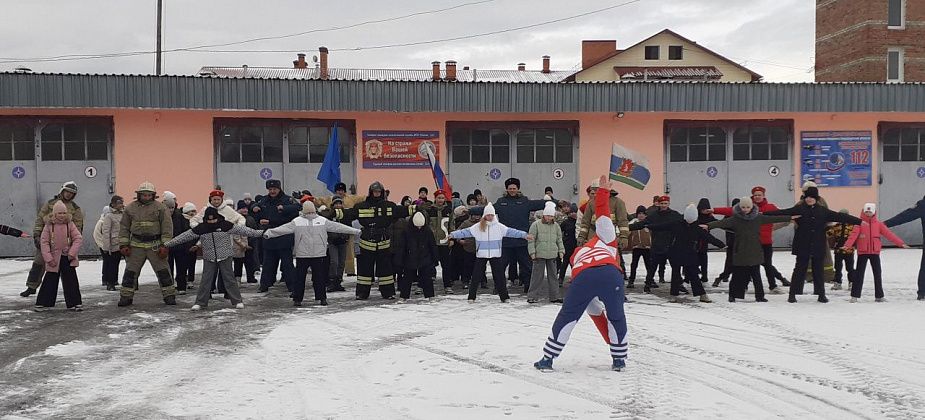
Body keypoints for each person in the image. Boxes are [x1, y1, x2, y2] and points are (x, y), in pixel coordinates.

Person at [533, 176, 629, 372]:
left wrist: (601, 194)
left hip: (583, 277)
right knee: (616, 316)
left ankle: (547, 359)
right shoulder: (607, 239)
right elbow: (603, 216)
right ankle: (619, 359)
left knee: (567, 316)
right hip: (610, 274)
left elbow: (595, 314)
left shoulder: (577, 254)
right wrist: (603, 193)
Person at [765, 187, 861, 303]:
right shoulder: (799, 209)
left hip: (818, 244)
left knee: (818, 270)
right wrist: (763, 214)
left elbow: (841, 216)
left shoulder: (823, 211)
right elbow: (782, 212)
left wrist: (860, 221)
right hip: (802, 244)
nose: (809, 199)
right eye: (807, 197)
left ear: (816, 198)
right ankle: (792, 294)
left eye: (812, 197)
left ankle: (821, 295)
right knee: (799, 270)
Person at [329, 181, 416, 300]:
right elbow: (349, 213)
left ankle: (388, 293)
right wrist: (334, 212)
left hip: (383, 243)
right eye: (375, 191)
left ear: (382, 192)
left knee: (386, 271)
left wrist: (417, 208)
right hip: (366, 243)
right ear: (371, 192)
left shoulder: (389, 206)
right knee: (364, 271)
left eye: (379, 192)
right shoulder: (362, 206)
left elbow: (403, 210)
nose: (377, 193)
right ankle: (362, 293)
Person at [165, 207, 264, 310]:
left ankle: (237, 301)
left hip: (225, 255)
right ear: (205, 219)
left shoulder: (226, 225)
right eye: (209, 220)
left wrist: (261, 233)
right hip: (209, 256)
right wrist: (168, 244)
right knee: (206, 280)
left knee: (230, 279)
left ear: (217, 217)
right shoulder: (201, 228)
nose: (212, 222)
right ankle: (200, 302)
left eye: (214, 219)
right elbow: (184, 236)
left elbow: (244, 230)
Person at [264, 200, 360, 306]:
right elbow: (338, 227)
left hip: (312, 254)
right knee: (314, 278)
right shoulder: (299, 221)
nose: (310, 213)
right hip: (310, 254)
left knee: (307, 278)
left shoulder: (320, 221)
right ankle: (317, 298)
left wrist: (269, 233)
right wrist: (269, 233)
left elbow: (339, 227)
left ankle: (303, 299)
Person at [703, 197, 794, 303]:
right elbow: (722, 223)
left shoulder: (758, 217)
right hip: (740, 252)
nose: (745, 209)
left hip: (755, 251)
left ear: (751, 207)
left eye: (747, 207)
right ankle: (733, 295)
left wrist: (789, 218)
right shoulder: (735, 219)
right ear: (740, 207)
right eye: (743, 207)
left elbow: (773, 218)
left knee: (756, 276)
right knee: (737, 276)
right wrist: (708, 226)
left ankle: (760, 296)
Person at [637, 204, 723, 303]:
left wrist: (721, 245)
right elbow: (662, 226)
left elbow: (709, 238)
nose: (690, 220)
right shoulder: (677, 224)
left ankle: (701, 294)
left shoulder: (697, 228)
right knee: (676, 275)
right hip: (676, 252)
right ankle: (674, 295)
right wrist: (649, 226)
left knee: (693, 275)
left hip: (690, 254)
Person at [449, 202, 533, 303]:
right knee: (476, 276)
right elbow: (465, 232)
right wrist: (453, 235)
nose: (490, 217)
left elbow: (512, 232)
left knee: (499, 277)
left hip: (495, 254)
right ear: (484, 215)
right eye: (488, 215)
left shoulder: (499, 227)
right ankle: (471, 297)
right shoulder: (478, 227)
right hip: (481, 255)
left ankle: (504, 297)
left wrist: (524, 235)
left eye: (491, 215)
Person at [117, 182, 177, 307]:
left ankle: (169, 296)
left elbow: (167, 227)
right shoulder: (130, 208)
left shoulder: (161, 208)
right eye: (144, 195)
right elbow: (124, 227)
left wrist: (165, 245)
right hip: (136, 245)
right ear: (139, 195)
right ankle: (126, 297)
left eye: (149, 195)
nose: (146, 197)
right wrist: (123, 245)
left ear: (153, 195)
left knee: (163, 272)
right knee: (130, 272)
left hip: (155, 245)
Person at [22, 182, 84, 298]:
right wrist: (37, 235)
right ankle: (31, 286)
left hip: (64, 245)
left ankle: (70, 297)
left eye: (72, 193)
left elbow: (78, 226)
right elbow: (40, 219)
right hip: (47, 240)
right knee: (38, 264)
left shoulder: (75, 208)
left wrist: (72, 245)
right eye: (67, 192)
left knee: (65, 270)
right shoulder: (50, 204)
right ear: (62, 191)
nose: (69, 194)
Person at [493, 177, 553, 293]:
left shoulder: (524, 201)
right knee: (501, 266)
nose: (512, 190)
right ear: (506, 189)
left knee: (527, 266)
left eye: (514, 188)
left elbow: (540, 203)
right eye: (510, 188)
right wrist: (470, 211)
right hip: (506, 241)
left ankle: (528, 286)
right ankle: (499, 287)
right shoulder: (501, 202)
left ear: (518, 189)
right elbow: (488, 210)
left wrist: (554, 202)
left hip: (522, 241)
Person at [843, 203, 909, 303]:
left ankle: (879, 296)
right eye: (866, 211)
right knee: (859, 274)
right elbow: (853, 235)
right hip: (863, 252)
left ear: (874, 212)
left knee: (877, 274)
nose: (868, 213)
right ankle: (854, 296)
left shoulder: (878, 224)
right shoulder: (859, 223)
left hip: (875, 252)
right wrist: (847, 245)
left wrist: (901, 243)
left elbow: (889, 234)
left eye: (870, 212)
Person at [34, 201, 84, 311]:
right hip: (53, 258)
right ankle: (44, 303)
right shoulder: (49, 226)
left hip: (67, 257)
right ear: (54, 214)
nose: (62, 215)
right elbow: (44, 242)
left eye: (64, 213)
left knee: (71, 280)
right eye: (59, 213)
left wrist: (72, 253)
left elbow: (78, 238)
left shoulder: (70, 224)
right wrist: (48, 258)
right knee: (50, 280)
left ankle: (74, 303)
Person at [252, 180, 301, 293]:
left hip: (283, 236)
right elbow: (254, 208)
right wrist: (254, 207)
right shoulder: (264, 200)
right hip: (269, 237)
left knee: (287, 264)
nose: (272, 191)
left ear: (279, 189)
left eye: (274, 189)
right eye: (270, 189)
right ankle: (264, 285)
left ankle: (292, 286)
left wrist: (284, 208)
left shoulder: (287, 200)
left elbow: (298, 208)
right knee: (268, 264)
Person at [883, 195, 925, 300]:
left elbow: (905, 216)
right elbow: (905, 216)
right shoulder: (923, 205)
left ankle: (922, 293)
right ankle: (922, 293)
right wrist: (883, 225)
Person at [633, 195, 677, 292]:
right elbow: (642, 224)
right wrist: (629, 227)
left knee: (675, 266)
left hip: (670, 245)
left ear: (669, 204)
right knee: (653, 266)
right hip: (657, 244)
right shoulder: (654, 215)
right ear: (659, 204)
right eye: (662, 203)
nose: (664, 205)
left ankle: (678, 284)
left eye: (665, 203)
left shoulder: (674, 214)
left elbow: (682, 222)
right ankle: (648, 284)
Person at [394, 212, 439, 302]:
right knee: (407, 278)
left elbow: (432, 246)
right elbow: (402, 247)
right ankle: (403, 296)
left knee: (427, 278)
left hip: (425, 257)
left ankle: (430, 296)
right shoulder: (406, 231)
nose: (419, 228)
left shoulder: (427, 231)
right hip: (410, 258)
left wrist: (435, 259)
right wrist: (399, 261)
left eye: (421, 226)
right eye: (417, 226)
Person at [527, 202, 565, 304]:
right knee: (537, 277)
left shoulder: (556, 226)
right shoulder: (536, 225)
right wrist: (532, 252)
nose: (549, 218)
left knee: (553, 277)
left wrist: (561, 250)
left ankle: (554, 296)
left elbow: (559, 239)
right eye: (547, 215)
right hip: (539, 255)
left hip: (552, 255)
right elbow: (531, 240)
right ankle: (532, 296)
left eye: (551, 216)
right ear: (544, 215)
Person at [422, 189, 455, 293]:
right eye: (439, 198)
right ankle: (424, 285)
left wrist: (452, 238)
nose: (440, 200)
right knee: (428, 265)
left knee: (446, 265)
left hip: (444, 242)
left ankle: (447, 286)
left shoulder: (448, 210)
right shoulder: (429, 210)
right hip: (432, 243)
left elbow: (451, 225)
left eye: (442, 198)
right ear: (435, 198)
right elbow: (425, 225)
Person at [99, 196, 125, 292]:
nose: (121, 205)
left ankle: (130, 282)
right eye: (119, 203)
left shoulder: (124, 214)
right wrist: (106, 247)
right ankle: (111, 283)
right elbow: (106, 232)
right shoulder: (109, 216)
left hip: (125, 243)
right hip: (115, 244)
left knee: (130, 264)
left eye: (121, 203)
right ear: (113, 204)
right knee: (113, 265)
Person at [172, 203, 199, 293]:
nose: (192, 213)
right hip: (182, 247)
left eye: (194, 211)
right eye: (190, 211)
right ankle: (181, 285)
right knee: (182, 267)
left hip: (193, 246)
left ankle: (190, 280)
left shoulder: (196, 220)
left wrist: (196, 245)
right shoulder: (181, 219)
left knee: (191, 264)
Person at [827, 210, 856, 291]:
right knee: (837, 267)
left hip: (849, 251)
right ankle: (838, 282)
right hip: (838, 251)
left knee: (850, 268)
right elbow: (828, 234)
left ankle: (852, 282)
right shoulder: (836, 226)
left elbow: (857, 235)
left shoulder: (852, 226)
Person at [713, 198, 740, 287]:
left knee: (732, 261)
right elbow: (723, 224)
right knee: (731, 261)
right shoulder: (729, 215)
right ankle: (724, 276)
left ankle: (724, 276)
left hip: (736, 241)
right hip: (732, 241)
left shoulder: (734, 215)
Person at [326, 198, 350, 292]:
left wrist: (346, 237)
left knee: (341, 262)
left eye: (340, 204)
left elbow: (348, 226)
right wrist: (332, 237)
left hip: (343, 242)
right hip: (333, 242)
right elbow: (327, 227)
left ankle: (338, 281)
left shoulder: (345, 215)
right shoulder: (329, 215)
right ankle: (331, 281)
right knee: (334, 262)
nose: (338, 206)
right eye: (336, 204)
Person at [451, 206, 479, 288]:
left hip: (480, 248)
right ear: (471, 215)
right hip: (468, 248)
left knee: (480, 266)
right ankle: (465, 281)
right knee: (467, 265)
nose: (477, 217)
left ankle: (482, 281)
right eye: (475, 215)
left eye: (478, 215)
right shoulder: (466, 223)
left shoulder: (483, 223)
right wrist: (459, 240)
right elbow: (458, 232)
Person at [232, 201, 259, 284]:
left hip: (249, 244)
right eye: (243, 208)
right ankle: (237, 279)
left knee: (249, 262)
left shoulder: (250, 219)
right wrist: (242, 244)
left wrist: (252, 243)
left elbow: (254, 231)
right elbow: (235, 234)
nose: (245, 210)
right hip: (238, 245)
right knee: (238, 263)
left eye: (246, 208)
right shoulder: (236, 219)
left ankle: (250, 277)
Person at [627, 205, 652, 288]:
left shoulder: (649, 224)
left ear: (646, 215)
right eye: (639, 213)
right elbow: (628, 232)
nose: (641, 215)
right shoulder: (634, 224)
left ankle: (650, 280)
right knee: (634, 264)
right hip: (636, 247)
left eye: (643, 214)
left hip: (647, 247)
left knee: (648, 264)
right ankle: (631, 280)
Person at [695, 198, 717, 284]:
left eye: (706, 209)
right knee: (695, 258)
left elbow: (717, 223)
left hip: (704, 240)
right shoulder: (695, 215)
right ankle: (693, 275)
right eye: (702, 209)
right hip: (695, 240)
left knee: (703, 258)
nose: (704, 211)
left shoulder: (710, 217)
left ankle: (704, 276)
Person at [558, 203, 578, 286]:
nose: (573, 214)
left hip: (577, 246)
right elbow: (559, 231)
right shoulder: (565, 222)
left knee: (575, 263)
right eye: (571, 212)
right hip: (567, 245)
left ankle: (575, 278)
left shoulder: (579, 222)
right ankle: (560, 279)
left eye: (575, 212)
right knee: (565, 262)